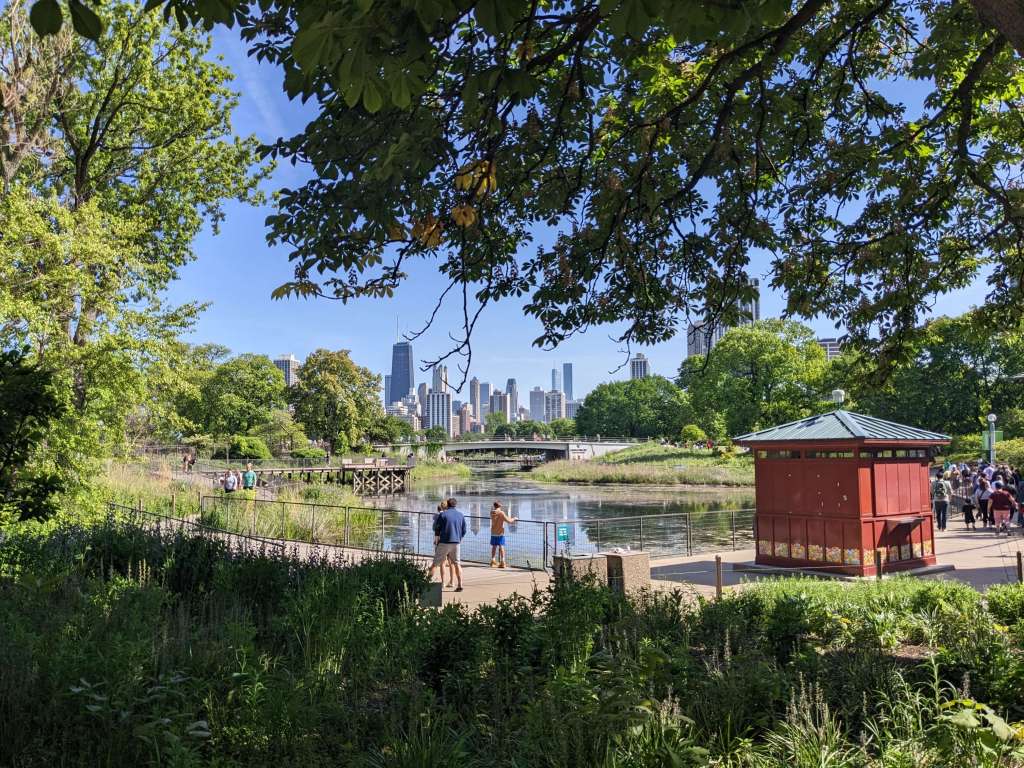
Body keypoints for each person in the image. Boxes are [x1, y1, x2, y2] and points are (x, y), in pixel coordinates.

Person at [429, 498, 467, 592]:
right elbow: (464, 530)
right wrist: (459, 538)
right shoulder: (461, 515)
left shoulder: (443, 515)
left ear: (448, 505)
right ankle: (460, 585)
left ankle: (427, 583)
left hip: (444, 542)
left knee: (435, 564)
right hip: (456, 543)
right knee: (457, 564)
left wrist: (436, 540)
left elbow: (437, 529)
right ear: (455, 504)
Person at [489, 501, 517, 568]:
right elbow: (509, 521)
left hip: (493, 532)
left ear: (494, 506)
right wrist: (514, 518)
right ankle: (503, 561)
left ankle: (493, 560)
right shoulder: (501, 513)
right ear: (500, 506)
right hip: (500, 532)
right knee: (501, 546)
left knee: (494, 546)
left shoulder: (491, 512)